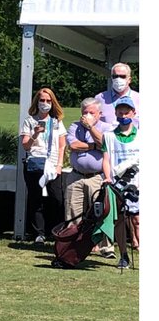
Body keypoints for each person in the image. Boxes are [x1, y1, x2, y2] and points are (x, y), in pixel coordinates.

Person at [66, 96, 111, 255]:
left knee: (100, 211)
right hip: (76, 175)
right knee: (73, 210)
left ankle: (105, 246)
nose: (88, 116)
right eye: (85, 112)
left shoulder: (106, 127)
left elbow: (104, 144)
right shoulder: (74, 126)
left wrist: (91, 128)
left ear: (99, 113)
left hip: (97, 176)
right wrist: (93, 146)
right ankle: (74, 244)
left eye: (91, 112)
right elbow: (73, 145)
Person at [19, 88, 66, 244]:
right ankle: (38, 233)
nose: (44, 104)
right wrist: (35, 134)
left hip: (52, 165)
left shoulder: (57, 122)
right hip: (35, 163)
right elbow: (25, 146)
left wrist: (59, 164)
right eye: (42, 100)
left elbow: (61, 146)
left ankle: (55, 230)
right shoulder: (29, 121)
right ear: (37, 102)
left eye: (48, 101)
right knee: (35, 199)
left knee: (56, 198)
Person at [101, 97, 140, 262]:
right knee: (119, 219)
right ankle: (124, 254)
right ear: (116, 113)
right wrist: (108, 177)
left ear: (133, 113)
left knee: (138, 219)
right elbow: (106, 159)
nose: (123, 115)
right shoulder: (109, 136)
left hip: (138, 181)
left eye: (127, 112)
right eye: (120, 112)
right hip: (117, 182)